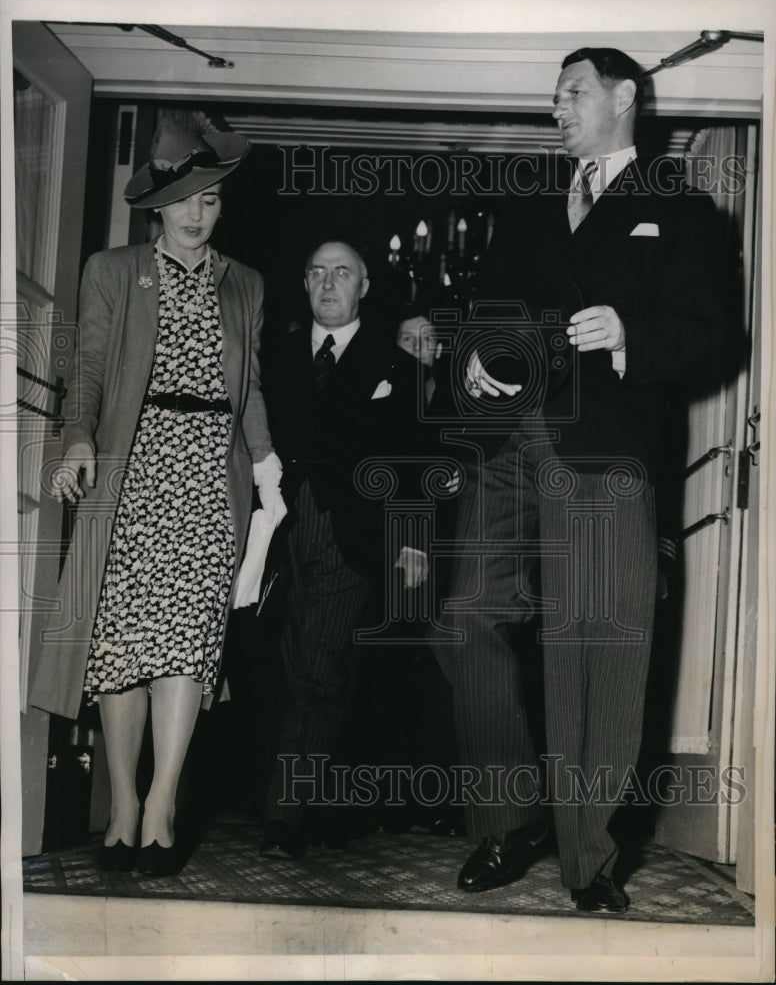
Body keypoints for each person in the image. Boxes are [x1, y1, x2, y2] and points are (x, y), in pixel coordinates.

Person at [436, 47, 727, 911]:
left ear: (624, 96)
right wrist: (478, 361)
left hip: (604, 448)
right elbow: (485, 317)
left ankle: (588, 856)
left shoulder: (681, 211)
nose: (556, 107)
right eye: (555, 96)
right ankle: (511, 814)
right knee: (462, 617)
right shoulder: (528, 206)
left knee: (594, 648)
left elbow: (713, 336)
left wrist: (631, 330)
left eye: (573, 91)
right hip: (512, 440)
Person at [29, 117, 285, 876]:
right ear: (156, 206)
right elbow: (93, 369)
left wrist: (267, 464)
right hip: (134, 468)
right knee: (121, 649)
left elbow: (251, 389)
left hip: (211, 472)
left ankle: (165, 802)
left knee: (187, 643)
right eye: (183, 199)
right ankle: (126, 802)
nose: (197, 213)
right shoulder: (113, 270)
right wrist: (77, 438)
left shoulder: (246, 283)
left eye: (210, 198)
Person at [258, 239, 426, 859]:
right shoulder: (273, 356)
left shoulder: (396, 359)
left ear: (364, 287)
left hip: (351, 531)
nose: (329, 284)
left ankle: (286, 812)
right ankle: (308, 799)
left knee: (318, 670)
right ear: (304, 283)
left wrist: (413, 543)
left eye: (343, 274)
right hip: (274, 530)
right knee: (282, 666)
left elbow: (415, 457)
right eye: (318, 273)